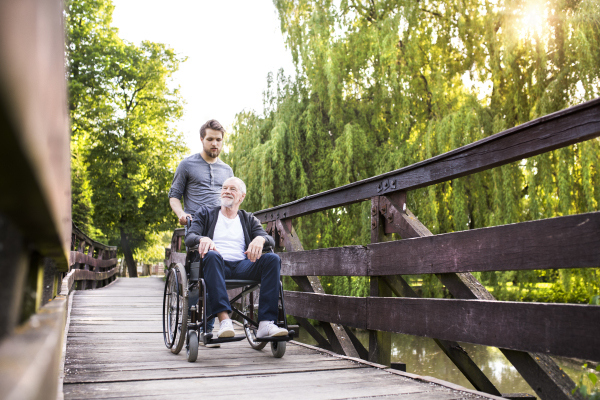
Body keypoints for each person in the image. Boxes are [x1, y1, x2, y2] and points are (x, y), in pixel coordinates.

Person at [185, 177, 289, 339]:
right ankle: (225, 320)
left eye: (232, 189)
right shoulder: (205, 213)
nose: (226, 191)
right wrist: (201, 239)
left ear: (242, 196)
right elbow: (190, 236)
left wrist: (260, 239)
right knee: (212, 255)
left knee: (272, 259)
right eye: (224, 188)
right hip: (215, 266)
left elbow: (270, 240)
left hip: (243, 266)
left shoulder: (248, 219)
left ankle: (266, 323)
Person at [169, 119, 233, 344]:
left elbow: (231, 201)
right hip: (196, 227)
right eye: (210, 139)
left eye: (219, 140)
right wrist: (181, 214)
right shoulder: (187, 165)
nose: (215, 143)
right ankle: (202, 322)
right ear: (202, 139)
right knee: (199, 275)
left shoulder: (227, 170)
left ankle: (213, 321)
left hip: (222, 229)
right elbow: (174, 195)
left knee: (223, 266)